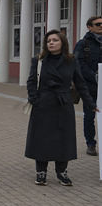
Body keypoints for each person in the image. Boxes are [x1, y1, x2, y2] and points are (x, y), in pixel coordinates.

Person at [26, 30, 98, 186]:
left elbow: (80, 84)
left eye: (55, 40)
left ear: (62, 43)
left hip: (63, 103)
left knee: (63, 138)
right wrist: (35, 100)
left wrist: (91, 104)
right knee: (41, 138)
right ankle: (41, 172)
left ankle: (62, 172)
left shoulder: (71, 60)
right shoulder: (38, 60)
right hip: (43, 103)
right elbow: (31, 82)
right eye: (48, 40)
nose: (51, 43)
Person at [73, 15, 102, 156]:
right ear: (90, 27)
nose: (101, 26)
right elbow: (78, 63)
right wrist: (95, 76)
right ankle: (91, 144)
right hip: (89, 87)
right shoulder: (83, 43)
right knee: (90, 116)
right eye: (98, 24)